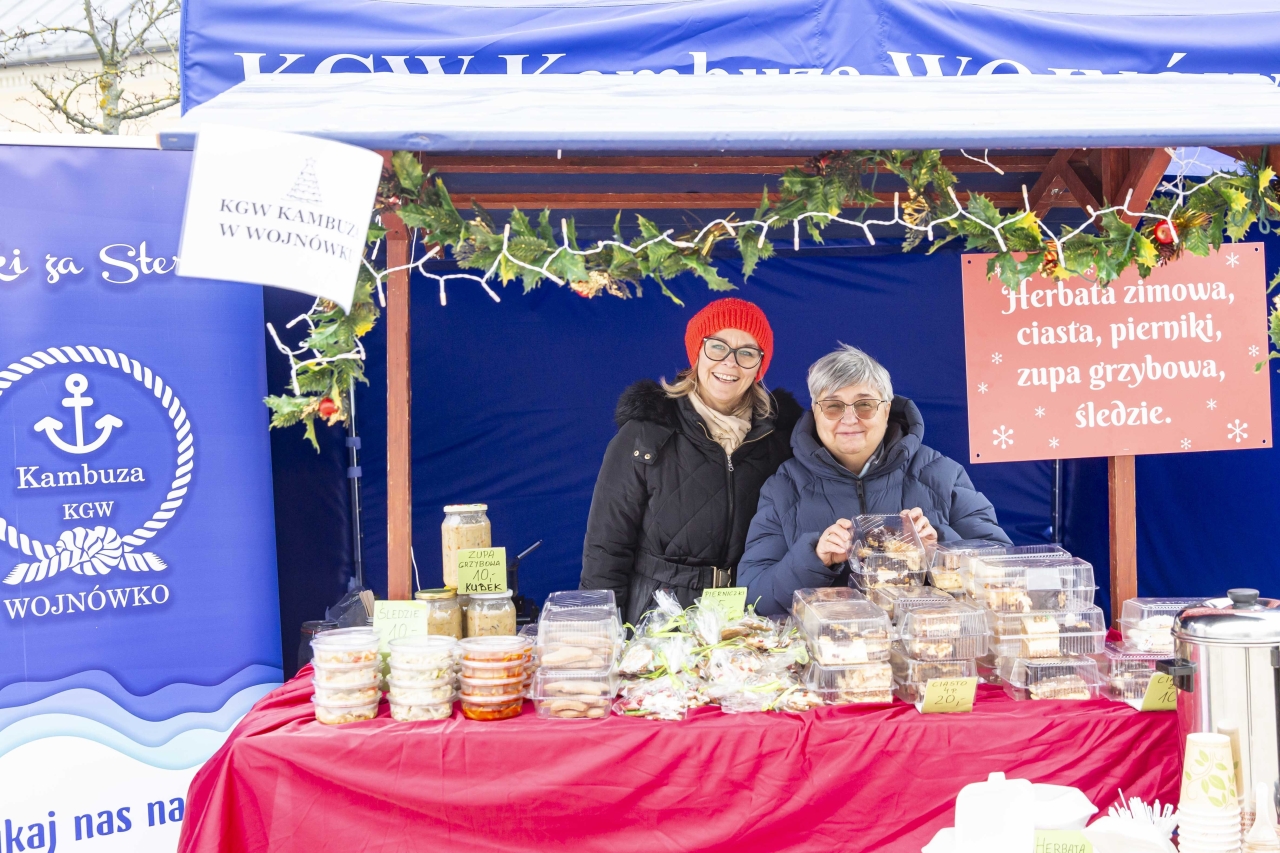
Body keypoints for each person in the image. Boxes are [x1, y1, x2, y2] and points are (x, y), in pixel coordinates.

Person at [739, 344, 1010, 616]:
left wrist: (937, 547)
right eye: (833, 406)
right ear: (815, 411)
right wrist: (815, 558)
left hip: (928, 639)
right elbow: (754, 596)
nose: (849, 419)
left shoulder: (941, 474)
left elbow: (1004, 571)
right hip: (826, 640)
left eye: (865, 405)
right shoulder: (784, 487)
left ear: (886, 409)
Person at [579, 298, 803, 626]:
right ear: (697, 352)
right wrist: (598, 629)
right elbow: (606, 548)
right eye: (717, 347)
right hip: (659, 621)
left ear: (759, 365)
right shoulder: (646, 433)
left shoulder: (782, 439)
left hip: (750, 621)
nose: (730, 363)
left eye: (746, 352)